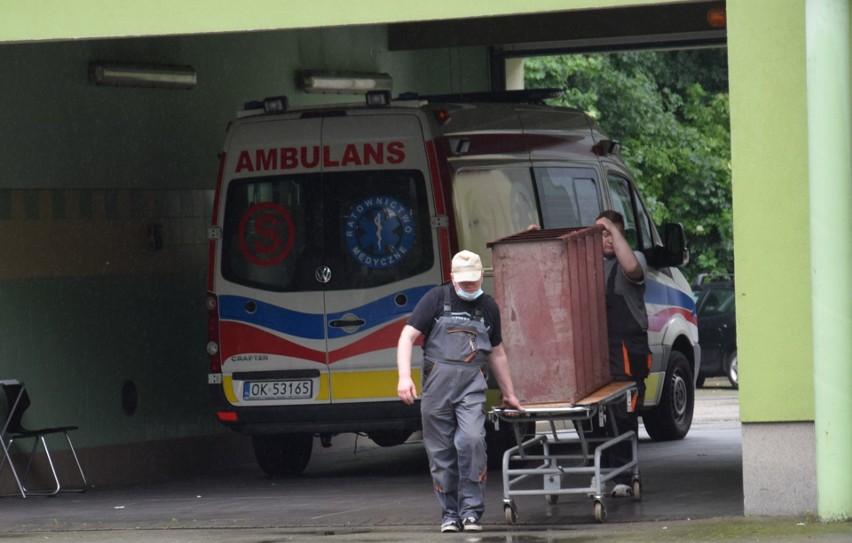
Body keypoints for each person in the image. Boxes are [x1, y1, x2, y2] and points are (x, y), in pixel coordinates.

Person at [397, 250, 523, 533]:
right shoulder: (435, 299)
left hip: (471, 388)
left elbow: (498, 353)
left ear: (481, 275)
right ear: (452, 278)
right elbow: (407, 336)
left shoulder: (489, 306)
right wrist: (404, 377)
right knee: (440, 453)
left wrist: (509, 393)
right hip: (436, 388)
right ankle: (450, 514)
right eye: (463, 282)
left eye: (474, 281)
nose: (469, 286)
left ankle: (471, 513)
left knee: (472, 442)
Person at [594, 209, 651, 497]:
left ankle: (625, 475)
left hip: (628, 349)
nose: (606, 239)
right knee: (595, 414)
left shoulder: (634, 257)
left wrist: (611, 230)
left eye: (611, 233)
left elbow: (631, 268)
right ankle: (602, 470)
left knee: (623, 412)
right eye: (601, 234)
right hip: (597, 348)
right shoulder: (589, 264)